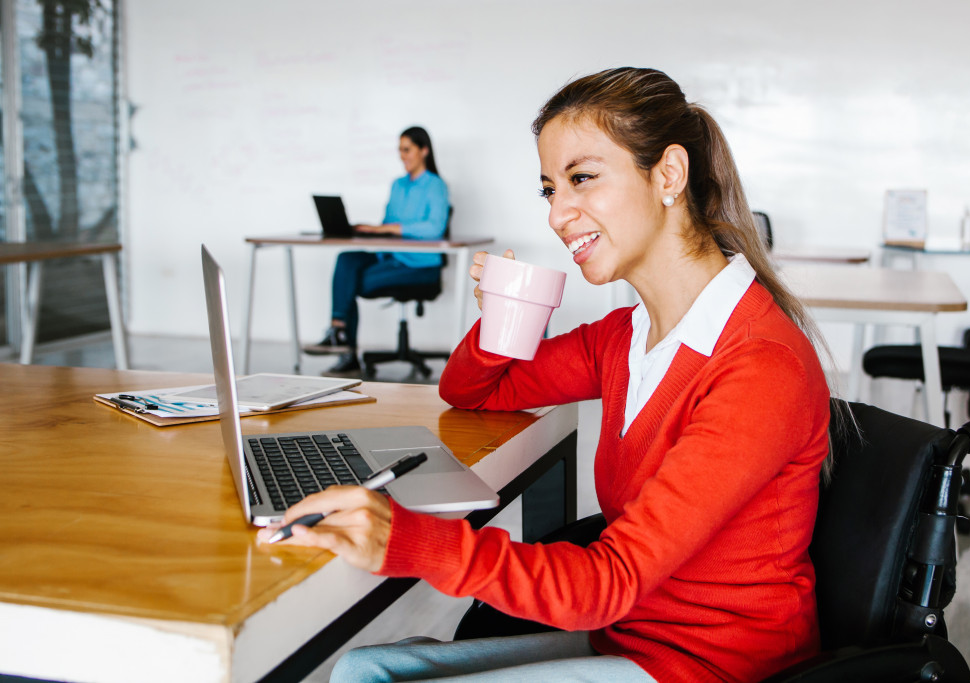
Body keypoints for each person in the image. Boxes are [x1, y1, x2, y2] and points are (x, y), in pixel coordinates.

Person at [260, 67, 833, 682]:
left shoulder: (758, 365)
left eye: (582, 179)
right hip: (627, 640)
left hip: (711, 669)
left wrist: (403, 540)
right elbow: (474, 391)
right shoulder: (627, 336)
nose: (559, 215)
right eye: (549, 190)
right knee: (369, 669)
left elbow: (606, 582)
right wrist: (507, 318)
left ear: (668, 175)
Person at [304, 126, 450, 377]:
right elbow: (387, 224)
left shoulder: (436, 186)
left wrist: (391, 229)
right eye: (399, 150)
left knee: (350, 281)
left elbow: (434, 228)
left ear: (423, 150)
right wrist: (370, 230)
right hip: (391, 257)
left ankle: (346, 350)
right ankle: (338, 331)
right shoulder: (397, 185)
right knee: (347, 258)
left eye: (407, 149)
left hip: (420, 266)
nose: (402, 155)